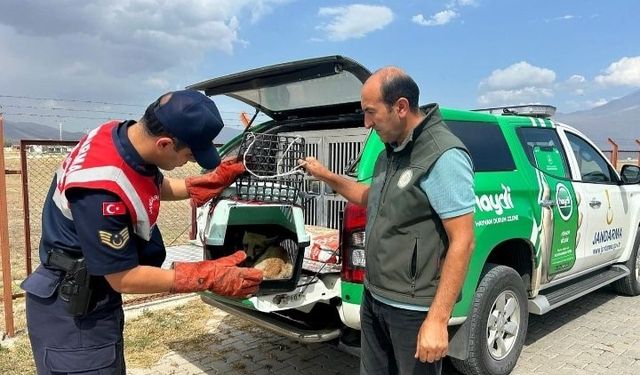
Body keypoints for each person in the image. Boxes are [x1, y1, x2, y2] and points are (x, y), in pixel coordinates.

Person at [20, 89, 263, 374]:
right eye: (188, 155)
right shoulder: (101, 192)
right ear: (163, 143)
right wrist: (205, 275)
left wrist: (206, 182)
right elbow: (124, 278)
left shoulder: (117, 135)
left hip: (91, 298)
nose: (188, 161)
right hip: (73, 313)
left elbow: (148, 185)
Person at [301, 67, 475, 375]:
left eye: (371, 113)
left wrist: (437, 319)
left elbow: (464, 240)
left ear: (401, 107)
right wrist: (325, 175)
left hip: (413, 309)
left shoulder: (442, 155)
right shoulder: (391, 151)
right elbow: (371, 197)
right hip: (376, 297)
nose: (366, 123)